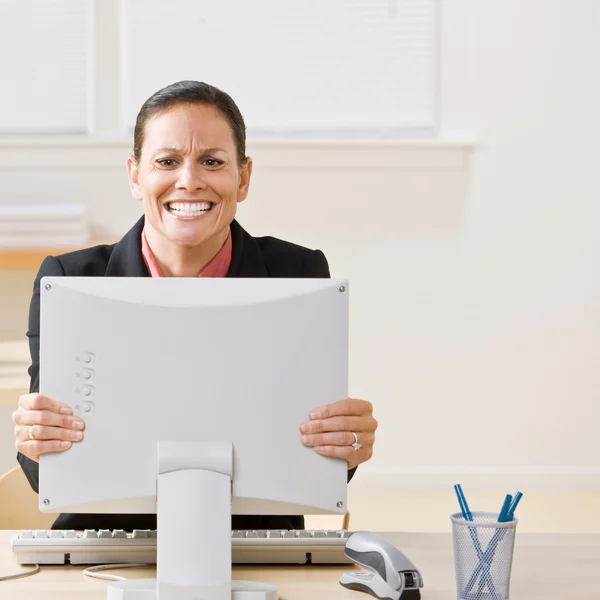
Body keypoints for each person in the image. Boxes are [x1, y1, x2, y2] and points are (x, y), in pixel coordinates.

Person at [12, 80, 378, 532]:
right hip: (106, 548)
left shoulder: (298, 272)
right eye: (167, 161)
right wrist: (34, 442)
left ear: (243, 178)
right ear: (135, 175)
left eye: (212, 161)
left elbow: (316, 459)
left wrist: (347, 446)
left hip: (252, 545)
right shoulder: (69, 281)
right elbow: (42, 473)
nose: (189, 180)